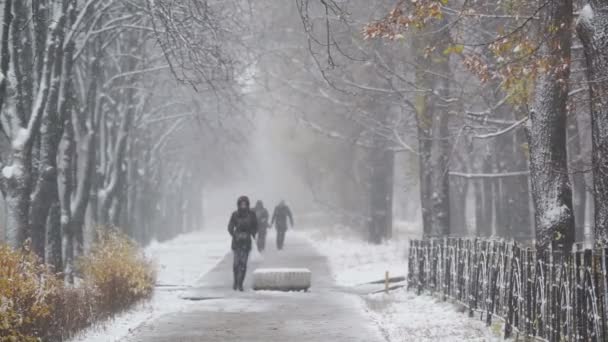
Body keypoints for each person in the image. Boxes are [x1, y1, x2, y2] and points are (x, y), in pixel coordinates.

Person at [227, 196, 258, 291]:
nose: (243, 206)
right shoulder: (235, 214)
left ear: (247, 204)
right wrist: (234, 234)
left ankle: (240, 283)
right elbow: (230, 226)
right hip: (237, 242)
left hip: (247, 241)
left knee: (243, 264)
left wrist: (252, 233)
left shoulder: (252, 214)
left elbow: (255, 225)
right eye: (241, 204)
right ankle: (235, 281)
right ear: (239, 204)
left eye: (245, 204)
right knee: (236, 264)